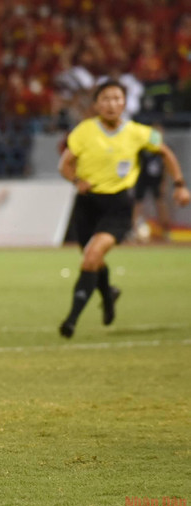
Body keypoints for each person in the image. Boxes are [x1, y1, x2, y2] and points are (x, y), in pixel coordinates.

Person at [57, 80, 190, 338]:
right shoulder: (83, 131)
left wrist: (180, 184)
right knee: (92, 259)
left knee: (92, 255)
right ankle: (108, 294)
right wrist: (76, 180)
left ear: (125, 103)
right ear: (96, 104)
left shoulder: (138, 132)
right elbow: (65, 165)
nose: (111, 104)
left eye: (117, 98)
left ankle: (71, 321)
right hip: (87, 204)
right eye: (105, 99)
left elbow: (166, 152)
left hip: (118, 206)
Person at [133, 124, 170, 241]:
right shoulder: (143, 148)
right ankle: (134, 230)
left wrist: (164, 182)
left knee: (160, 204)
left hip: (156, 180)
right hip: (142, 178)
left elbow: (166, 166)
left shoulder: (164, 149)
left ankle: (165, 231)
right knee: (137, 204)